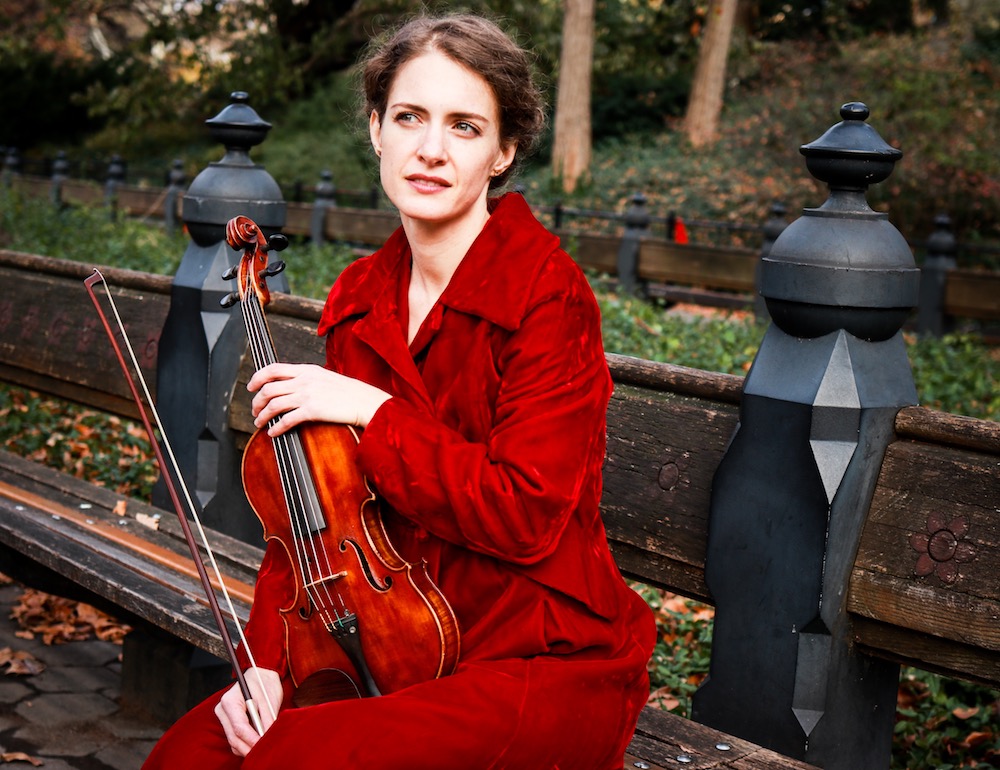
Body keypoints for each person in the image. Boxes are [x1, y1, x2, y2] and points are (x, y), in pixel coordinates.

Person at [143, 13, 655, 769]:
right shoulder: (361, 295)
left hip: (532, 654)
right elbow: (311, 522)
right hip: (390, 633)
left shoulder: (549, 295)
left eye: (465, 127)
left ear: (503, 151)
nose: (431, 150)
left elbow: (527, 513)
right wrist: (265, 666)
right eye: (410, 117)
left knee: (295, 760)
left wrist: (373, 412)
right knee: (193, 755)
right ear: (377, 129)